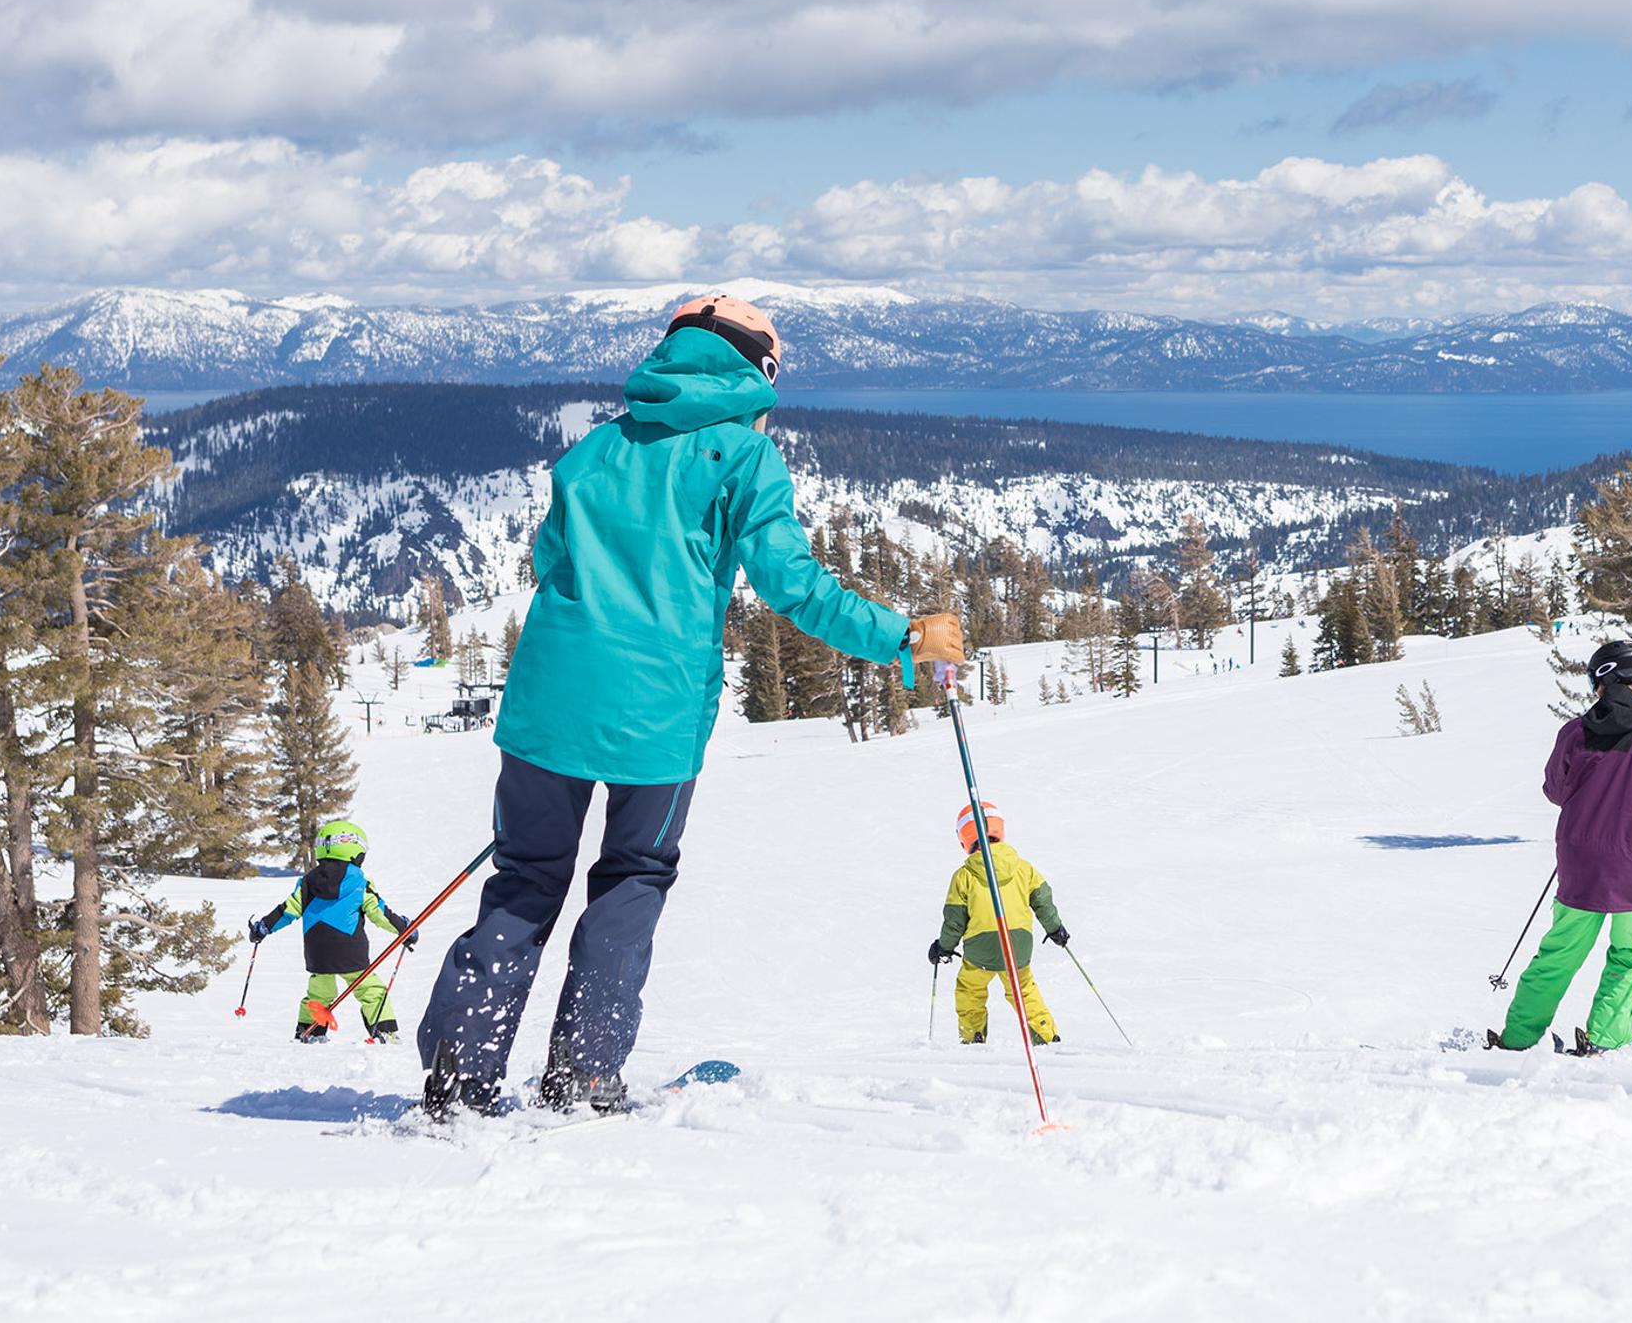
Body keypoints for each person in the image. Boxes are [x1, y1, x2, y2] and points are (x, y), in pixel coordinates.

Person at [416, 294, 967, 1117]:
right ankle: (585, 1075)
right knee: (632, 877)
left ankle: (460, 1076)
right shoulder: (744, 460)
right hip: (658, 718)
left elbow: (548, 559)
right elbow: (793, 586)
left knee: (525, 878)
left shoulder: (597, 448)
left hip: (546, 705)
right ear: (759, 370)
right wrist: (901, 636)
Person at [1488, 641, 1632, 1055]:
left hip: (1580, 861)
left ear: (1603, 678)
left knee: (1559, 953)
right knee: (1629, 955)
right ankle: (1606, 1037)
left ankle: (1519, 1037)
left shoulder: (1574, 732)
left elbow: (1555, 789)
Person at [249, 820, 411, 1043]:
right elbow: (378, 913)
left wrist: (264, 926)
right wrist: (404, 929)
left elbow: (288, 910)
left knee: (319, 994)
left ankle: (309, 1032)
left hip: (317, 953)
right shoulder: (359, 882)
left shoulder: (307, 882)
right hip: (350, 951)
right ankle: (385, 1032)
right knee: (371, 990)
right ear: (354, 850)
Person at [928, 801, 1066, 1045]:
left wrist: (945, 947)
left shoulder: (964, 875)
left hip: (982, 947)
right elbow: (1042, 899)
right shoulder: (1023, 867)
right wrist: (1054, 928)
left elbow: (954, 920)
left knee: (970, 988)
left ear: (964, 838)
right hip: (1018, 944)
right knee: (1023, 989)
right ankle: (1046, 1035)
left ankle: (973, 1036)